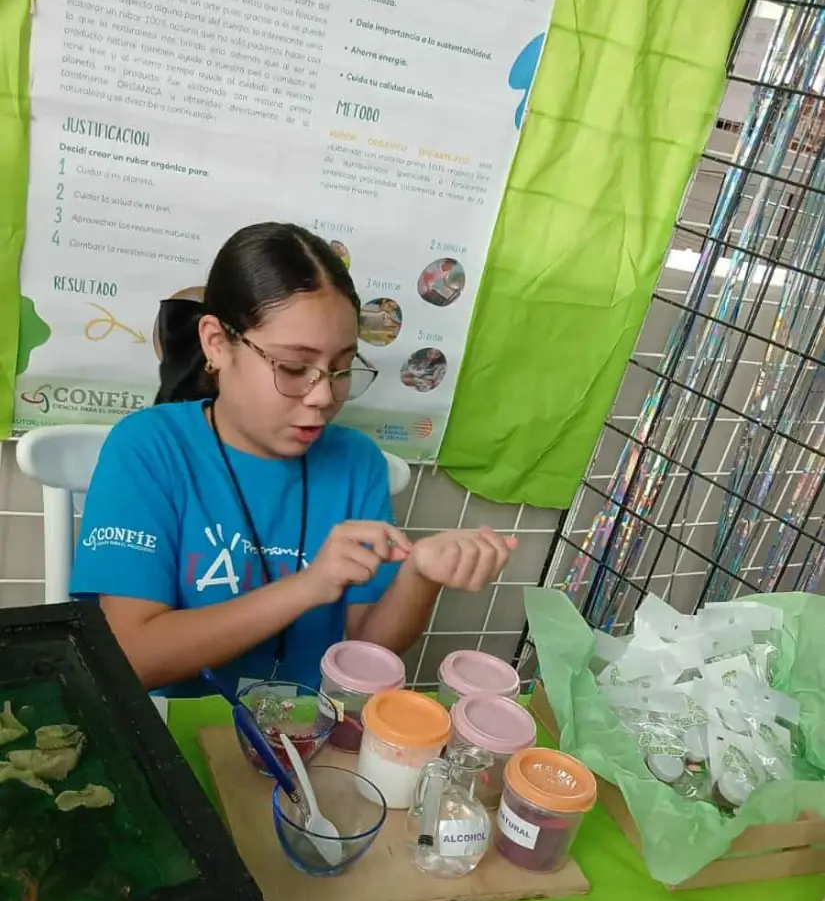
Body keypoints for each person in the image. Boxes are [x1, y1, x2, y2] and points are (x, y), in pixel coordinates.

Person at [72, 222, 516, 697]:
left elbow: (371, 644)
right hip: (173, 730)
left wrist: (420, 575)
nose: (323, 396)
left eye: (342, 367)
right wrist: (309, 585)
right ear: (217, 344)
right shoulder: (149, 448)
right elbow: (130, 658)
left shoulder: (355, 461)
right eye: (292, 367)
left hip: (308, 725)